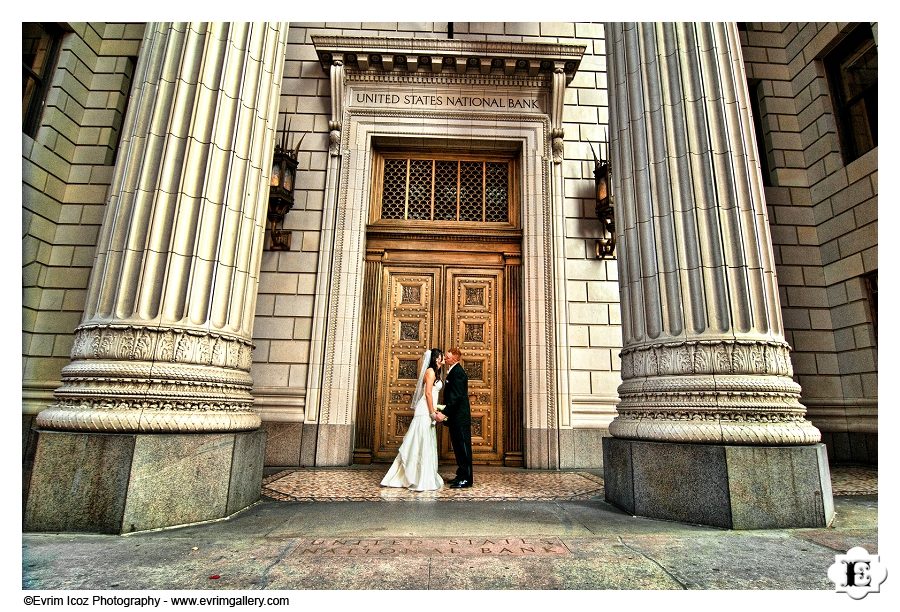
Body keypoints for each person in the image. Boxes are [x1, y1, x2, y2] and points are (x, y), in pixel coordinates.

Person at [381, 348, 446, 491]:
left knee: (425, 442)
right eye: (442, 356)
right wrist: (432, 413)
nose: (444, 358)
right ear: (436, 358)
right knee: (419, 441)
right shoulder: (430, 371)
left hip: (429, 409)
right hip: (424, 411)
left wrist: (435, 409)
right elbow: (428, 393)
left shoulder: (436, 372)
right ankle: (413, 477)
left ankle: (423, 475)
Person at [441, 346, 473, 488]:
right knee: (458, 448)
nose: (445, 359)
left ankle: (467, 478)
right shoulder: (453, 371)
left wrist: (445, 412)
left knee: (463, 448)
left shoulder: (458, 372)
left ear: (455, 358)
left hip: (460, 417)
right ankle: (461, 474)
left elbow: (456, 397)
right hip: (455, 418)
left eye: (447, 357)